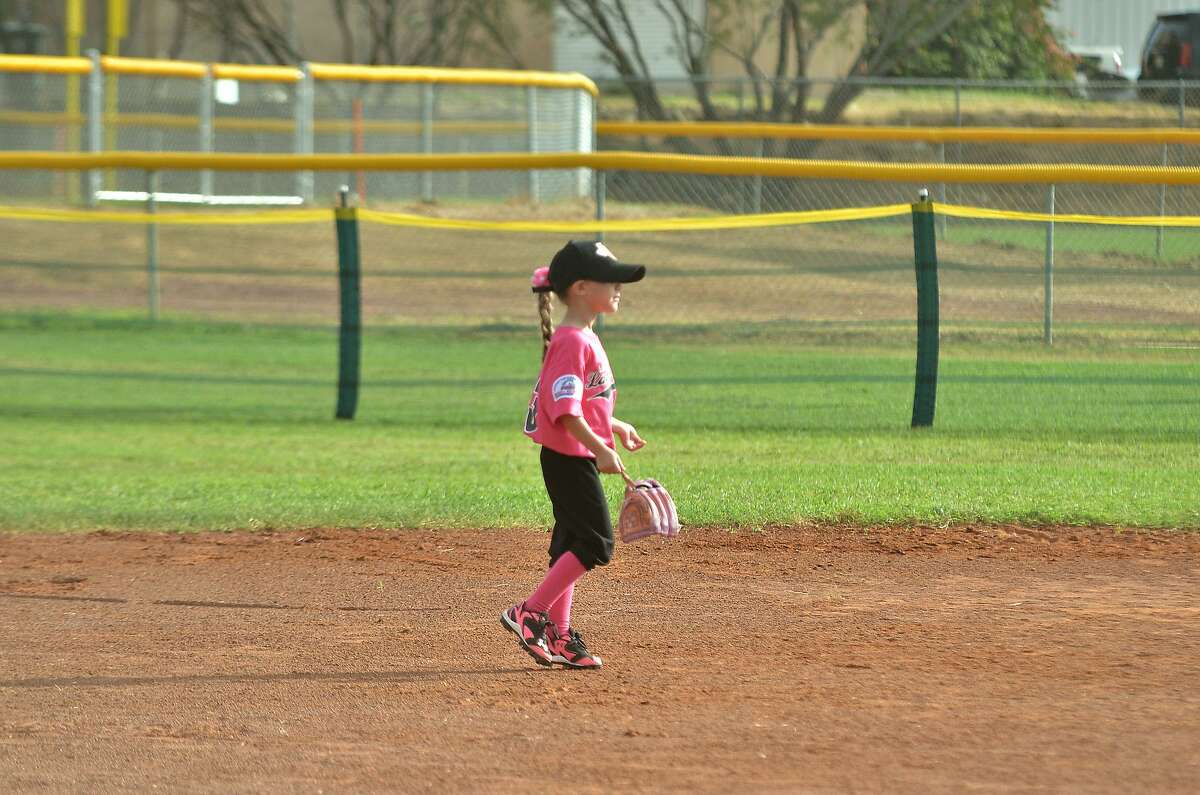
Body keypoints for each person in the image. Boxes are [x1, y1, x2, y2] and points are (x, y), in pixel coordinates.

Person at [501, 240, 648, 670]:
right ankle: (530, 612)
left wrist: (614, 427)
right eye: (612, 280)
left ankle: (562, 636)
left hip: (575, 453)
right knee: (596, 543)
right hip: (569, 458)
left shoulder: (584, 337)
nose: (620, 287)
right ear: (582, 288)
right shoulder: (571, 341)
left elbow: (583, 402)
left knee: (569, 543)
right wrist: (601, 447)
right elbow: (564, 412)